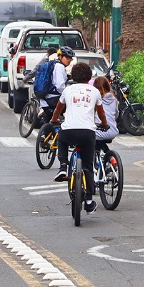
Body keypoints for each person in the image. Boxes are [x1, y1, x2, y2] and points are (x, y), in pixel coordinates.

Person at [50, 61, 108, 211]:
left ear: (73, 76)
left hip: (69, 131)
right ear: (89, 76)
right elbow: (101, 112)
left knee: (62, 140)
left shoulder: (68, 90)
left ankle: (63, 167)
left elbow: (58, 108)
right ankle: (88, 201)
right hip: (87, 133)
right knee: (88, 166)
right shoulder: (94, 91)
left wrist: (54, 119)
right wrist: (104, 123)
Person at [38, 46, 75, 138]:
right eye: (67, 58)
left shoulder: (53, 64)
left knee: (50, 118)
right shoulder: (60, 67)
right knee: (70, 108)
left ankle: (44, 137)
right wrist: (68, 94)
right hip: (53, 98)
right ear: (60, 56)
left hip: (45, 97)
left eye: (70, 59)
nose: (69, 61)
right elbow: (60, 86)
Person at [92, 75, 119, 160]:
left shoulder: (96, 100)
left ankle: (96, 162)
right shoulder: (114, 99)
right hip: (112, 131)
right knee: (100, 142)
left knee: (90, 138)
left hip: (100, 130)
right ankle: (110, 158)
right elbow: (116, 115)